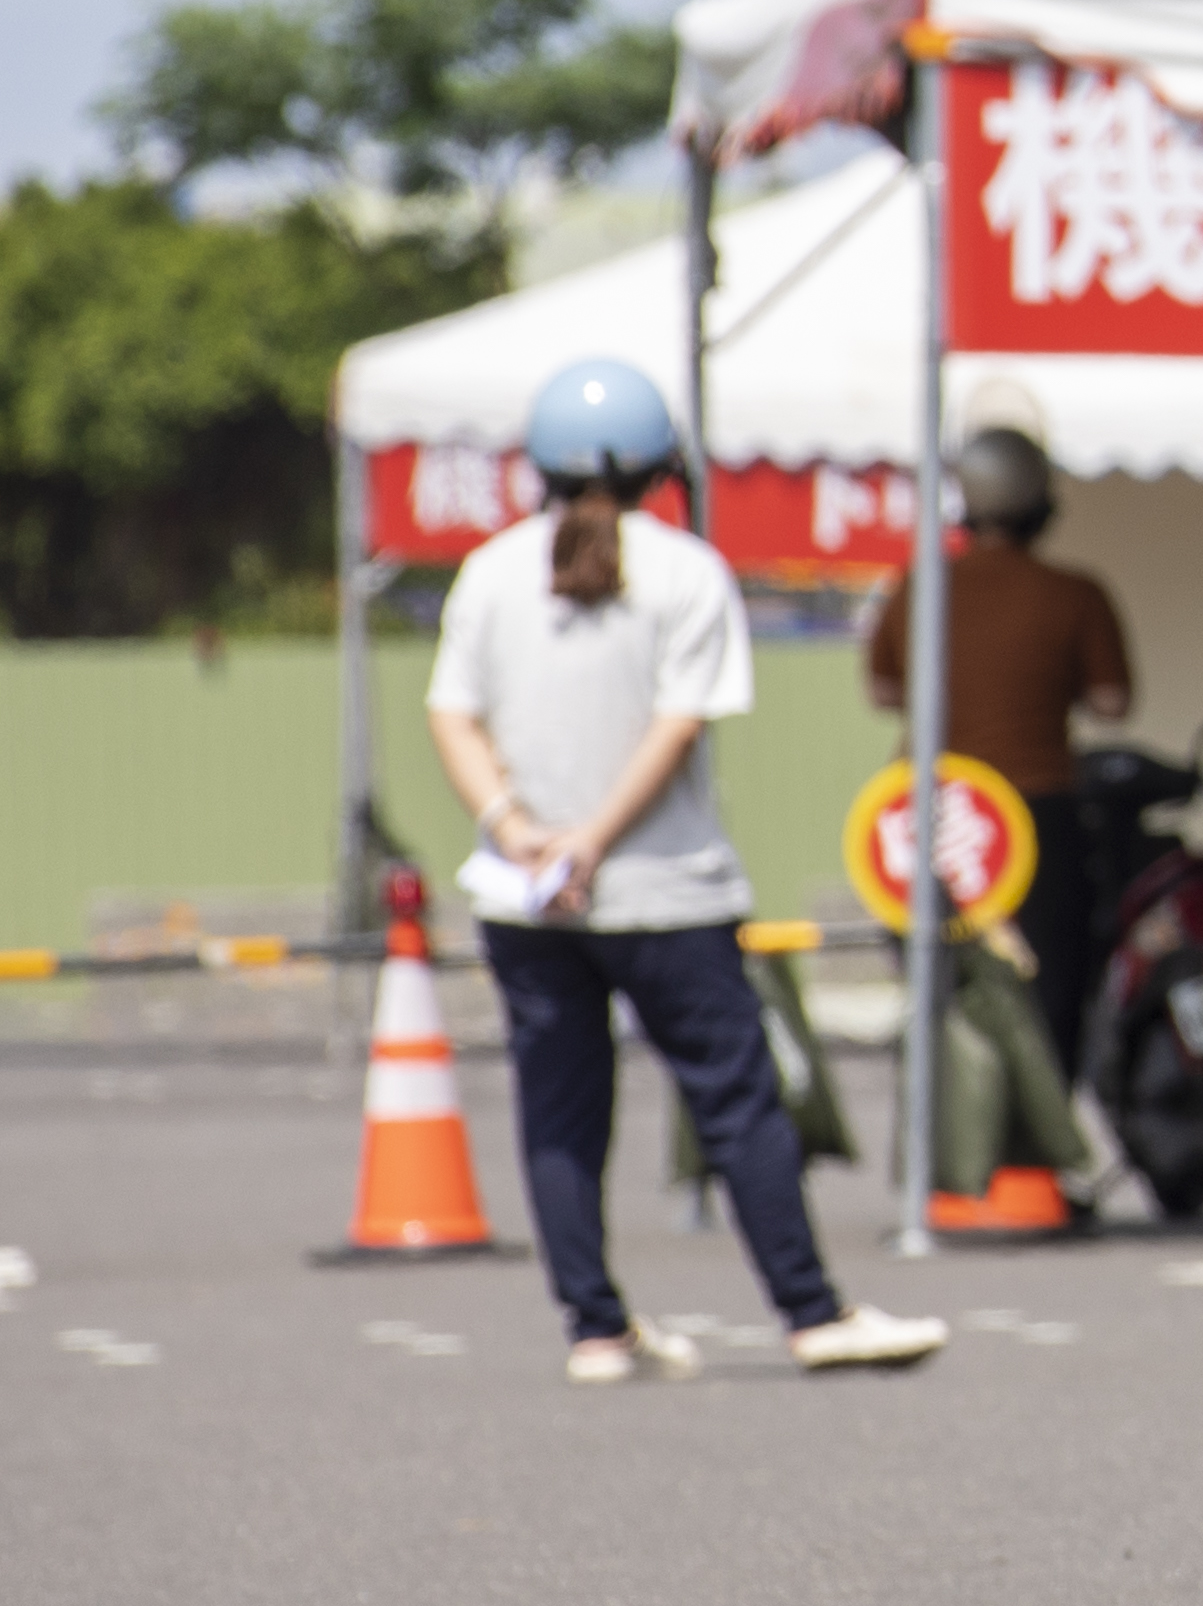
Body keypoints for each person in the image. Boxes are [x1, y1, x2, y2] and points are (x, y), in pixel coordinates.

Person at [426, 358, 944, 1383]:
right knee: (736, 1100)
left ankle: (595, 1330)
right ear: (660, 465)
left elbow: (453, 714)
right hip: (664, 889)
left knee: (560, 1109)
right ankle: (810, 1311)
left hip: (525, 898)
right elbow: (677, 724)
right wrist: (594, 838)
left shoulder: (489, 572)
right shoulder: (685, 572)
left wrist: (518, 829)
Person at [859, 424, 1132, 1080]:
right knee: (1048, 996)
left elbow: (882, 690)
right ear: (1043, 502)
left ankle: (949, 1123)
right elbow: (1112, 702)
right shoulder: (1074, 593)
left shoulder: (919, 586)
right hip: (1036, 818)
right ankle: (1040, 1130)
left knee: (942, 992)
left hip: (930, 817)